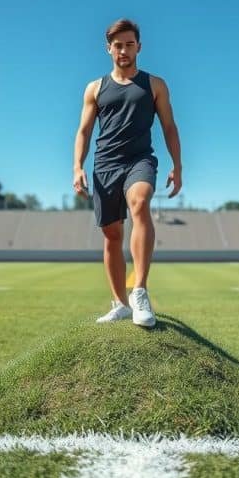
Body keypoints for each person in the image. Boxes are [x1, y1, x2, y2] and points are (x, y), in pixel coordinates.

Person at [73, 18, 183, 327]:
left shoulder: (155, 85)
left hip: (139, 159)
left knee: (140, 202)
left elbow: (169, 127)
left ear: (139, 47)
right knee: (111, 235)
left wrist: (177, 165)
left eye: (129, 44)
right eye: (118, 45)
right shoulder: (95, 88)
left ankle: (140, 291)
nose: (124, 50)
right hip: (105, 164)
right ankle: (120, 303)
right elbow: (83, 131)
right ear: (109, 49)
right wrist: (77, 166)